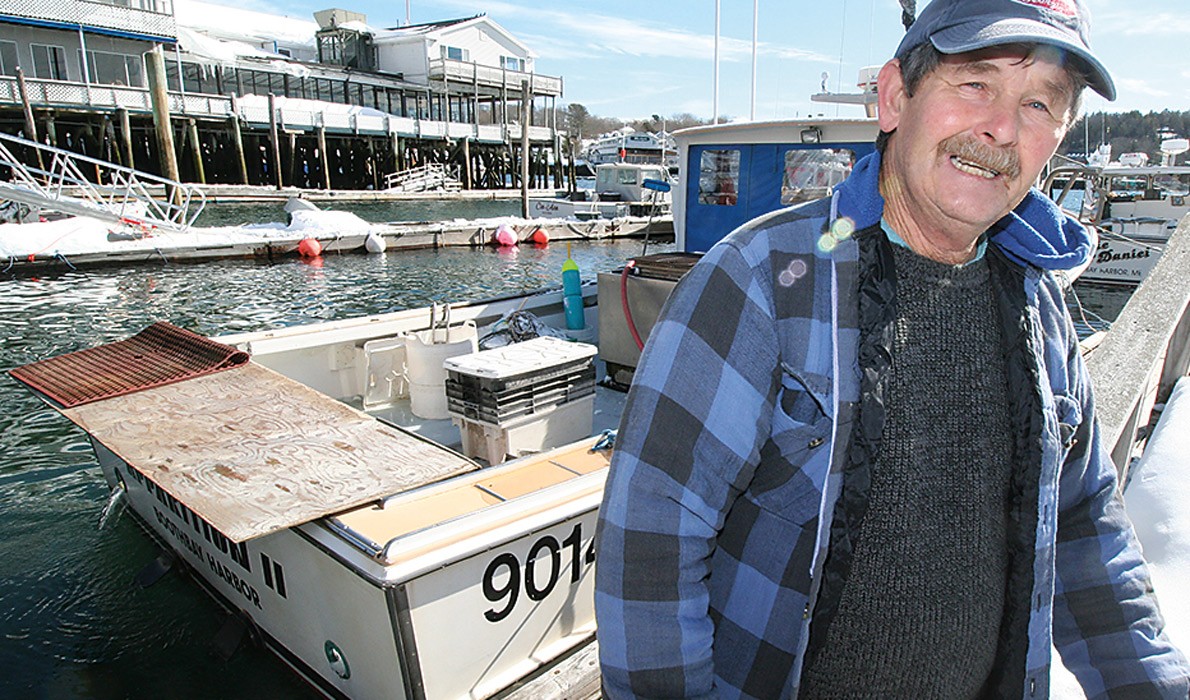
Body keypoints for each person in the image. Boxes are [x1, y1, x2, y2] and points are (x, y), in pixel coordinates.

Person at [594, 0, 1190, 697]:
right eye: (976, 83)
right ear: (894, 96)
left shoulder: (1043, 302)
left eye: (1039, 104)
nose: (1000, 127)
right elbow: (651, 543)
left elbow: (1084, 524)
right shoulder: (757, 280)